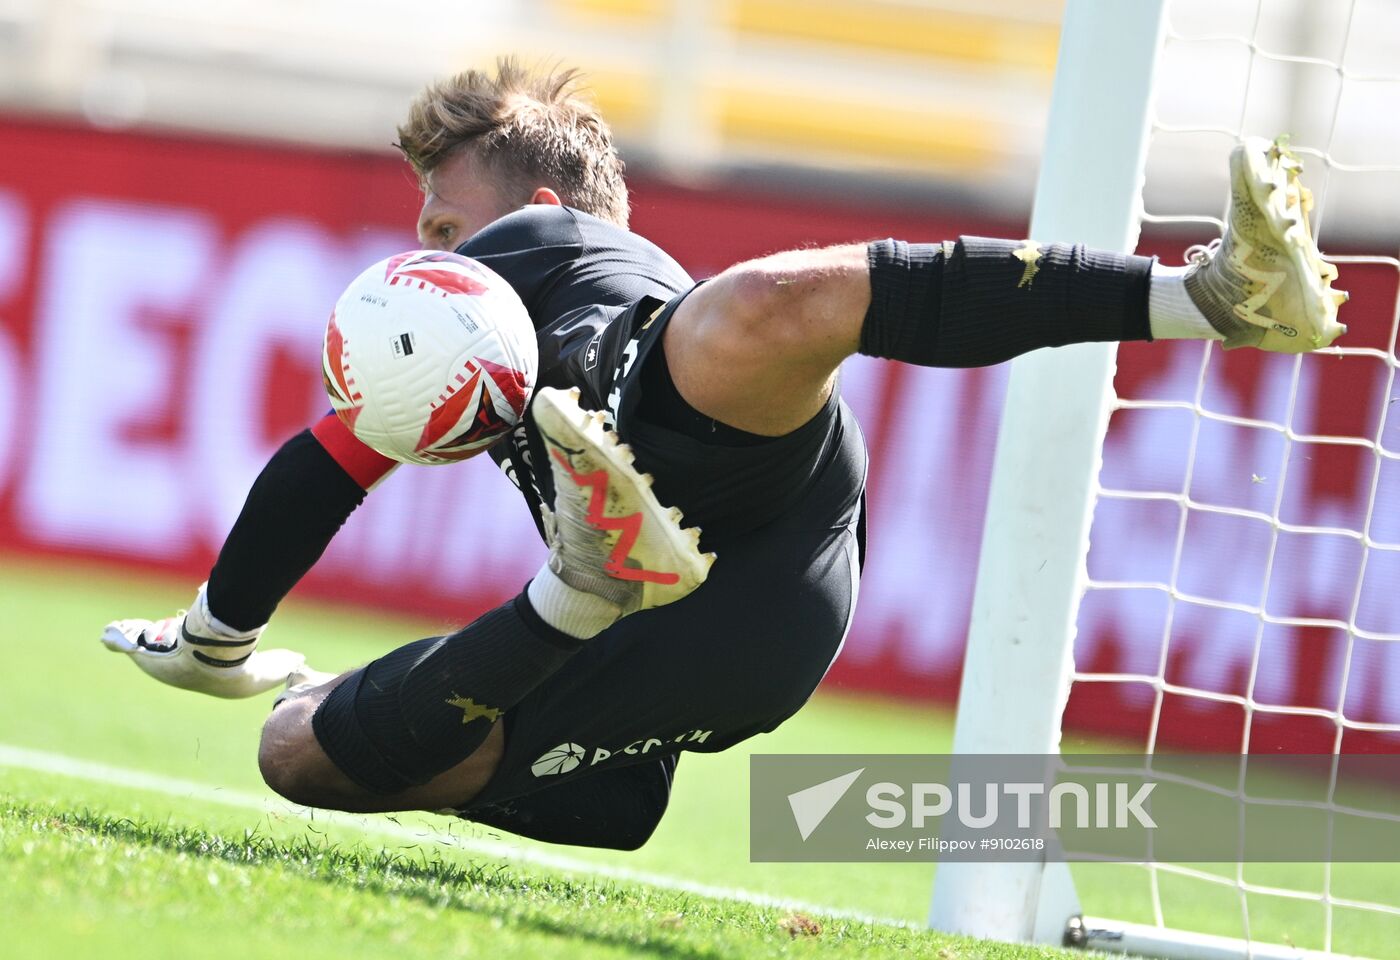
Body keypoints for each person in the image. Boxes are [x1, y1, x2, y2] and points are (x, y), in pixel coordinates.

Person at [102, 59, 1346, 848]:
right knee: (297, 750)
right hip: (693, 648)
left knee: (750, 310)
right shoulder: (465, 333)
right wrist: (216, 642)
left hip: (721, 474)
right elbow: (334, 458)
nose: (427, 251)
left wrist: (217, 634)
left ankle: (1210, 295)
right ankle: (598, 722)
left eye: (443, 221)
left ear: (540, 206)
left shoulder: (540, 252)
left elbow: (331, 454)